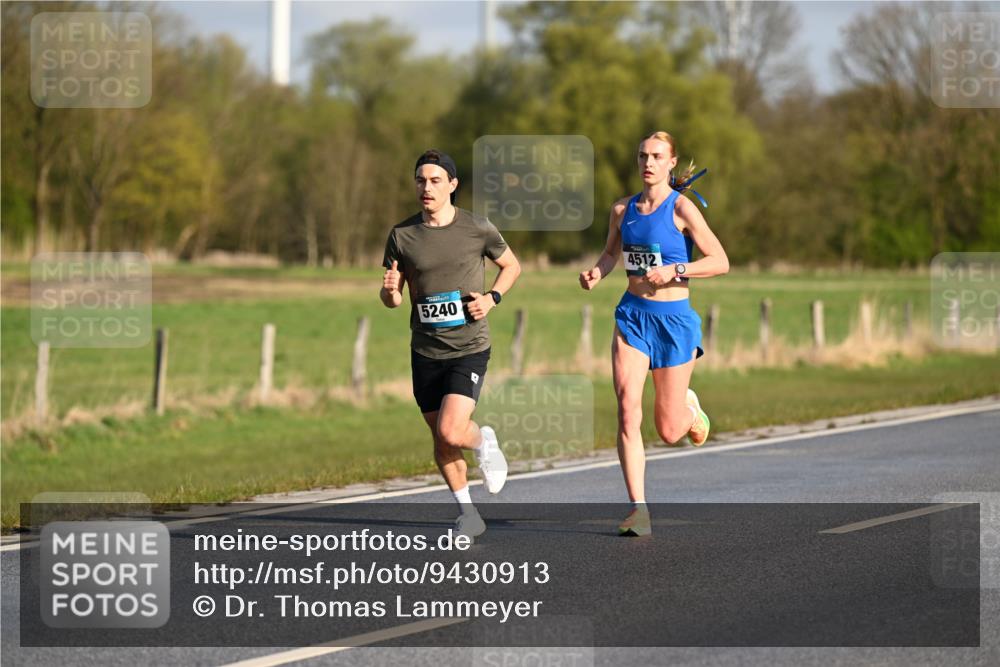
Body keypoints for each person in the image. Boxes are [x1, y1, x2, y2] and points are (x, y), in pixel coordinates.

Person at [579, 131, 729, 536]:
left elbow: (720, 260)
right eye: (643, 155)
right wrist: (598, 271)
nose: (648, 162)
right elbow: (613, 252)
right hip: (632, 317)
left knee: (669, 430)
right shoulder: (621, 209)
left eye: (657, 156)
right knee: (628, 409)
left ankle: (689, 411)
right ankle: (638, 509)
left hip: (674, 322)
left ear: (671, 163)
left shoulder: (681, 209)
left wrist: (676, 270)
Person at [381, 149, 522, 538]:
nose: (427, 188)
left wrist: (491, 298)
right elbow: (393, 300)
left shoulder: (477, 228)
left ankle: (484, 441)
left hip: (468, 347)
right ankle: (469, 514)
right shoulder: (402, 235)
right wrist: (390, 291)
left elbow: (512, 266)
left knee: (451, 430)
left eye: (435, 180)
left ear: (452, 185)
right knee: (441, 441)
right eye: (421, 180)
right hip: (425, 351)